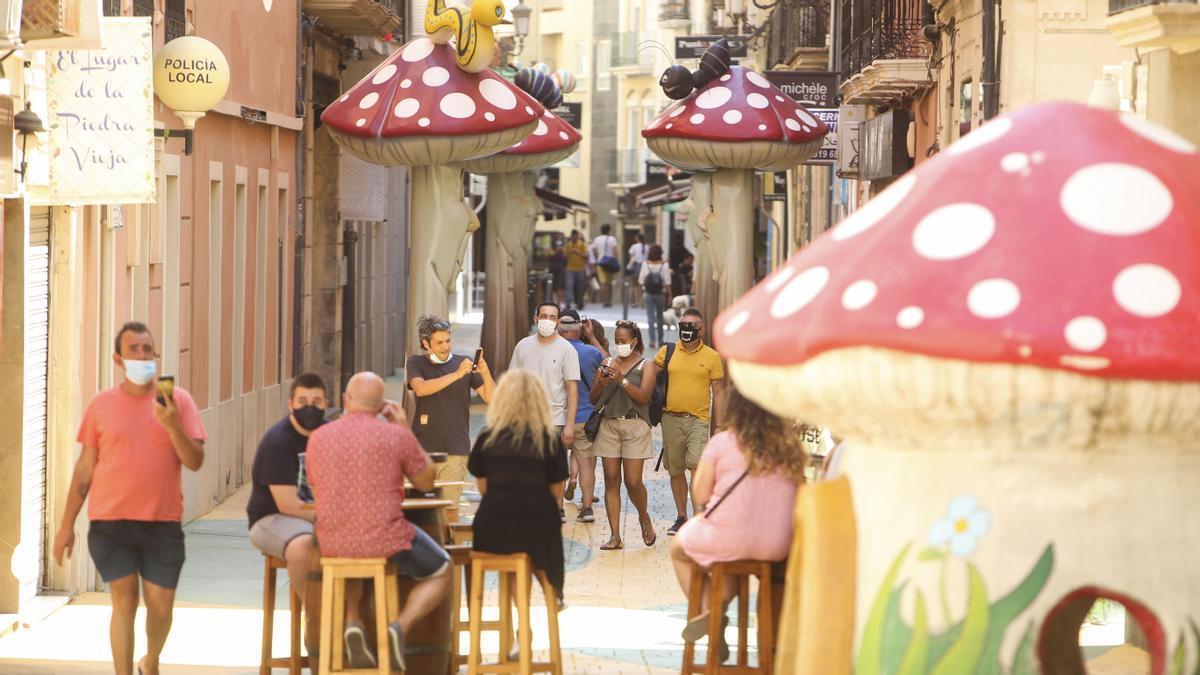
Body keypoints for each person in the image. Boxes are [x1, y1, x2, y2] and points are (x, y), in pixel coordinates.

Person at [53, 322, 206, 675]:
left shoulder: (178, 402)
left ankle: (150, 660)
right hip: (111, 523)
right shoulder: (101, 405)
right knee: (124, 601)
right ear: (118, 360)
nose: (141, 355)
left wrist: (172, 425)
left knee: (161, 606)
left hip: (162, 523)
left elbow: (195, 461)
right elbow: (84, 470)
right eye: (133, 349)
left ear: (155, 355)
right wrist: (66, 526)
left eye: (147, 349)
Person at [306, 372, 451, 670]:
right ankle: (400, 626)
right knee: (443, 570)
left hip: (331, 540)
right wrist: (402, 427)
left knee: (353, 549)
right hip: (385, 538)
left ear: (346, 400)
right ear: (382, 405)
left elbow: (316, 488)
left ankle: (353, 621)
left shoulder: (318, 438)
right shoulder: (395, 435)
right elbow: (425, 481)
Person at [671, 385, 804, 655]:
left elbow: (700, 493)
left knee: (680, 550)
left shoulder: (722, 442)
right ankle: (715, 617)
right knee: (730, 561)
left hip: (728, 538)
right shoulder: (788, 446)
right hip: (776, 544)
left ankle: (711, 614)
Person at [468, 370, 570, 601]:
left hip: (494, 526)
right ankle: (552, 593)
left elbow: (484, 489)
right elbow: (556, 492)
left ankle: (520, 616)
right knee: (538, 546)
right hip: (538, 522)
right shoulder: (549, 439)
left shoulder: (488, 438)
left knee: (514, 552)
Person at [245, 372, 329, 607]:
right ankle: (316, 619)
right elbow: (288, 505)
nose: (309, 408)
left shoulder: (331, 434)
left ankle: (352, 616)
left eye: (316, 402)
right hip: (272, 517)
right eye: (302, 402)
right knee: (303, 546)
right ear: (291, 405)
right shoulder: (278, 443)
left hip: (316, 514)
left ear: (326, 405)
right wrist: (332, 517)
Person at [407, 315, 496, 507]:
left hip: (456, 450)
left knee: (448, 511)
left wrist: (485, 372)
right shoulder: (416, 363)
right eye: (439, 342)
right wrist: (456, 375)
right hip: (422, 450)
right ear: (426, 343)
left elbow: (492, 399)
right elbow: (421, 388)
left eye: (448, 340)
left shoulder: (463, 362)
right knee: (420, 511)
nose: (446, 347)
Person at [656, 308, 725, 536]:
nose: (686, 329)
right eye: (683, 325)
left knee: (696, 465)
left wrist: (719, 426)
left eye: (691, 325)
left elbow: (720, 392)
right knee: (675, 469)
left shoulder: (712, 357)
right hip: (670, 418)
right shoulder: (668, 351)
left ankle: (698, 517)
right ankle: (681, 517)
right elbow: (649, 375)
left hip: (698, 419)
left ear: (701, 329)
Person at [510, 302, 581, 521]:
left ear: (558, 322)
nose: (547, 321)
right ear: (535, 319)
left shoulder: (566, 349)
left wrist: (569, 425)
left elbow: (572, 389)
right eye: (543, 316)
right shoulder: (523, 346)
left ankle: (557, 508)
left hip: (555, 418)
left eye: (552, 317)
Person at [589, 321, 657, 550]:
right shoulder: (607, 363)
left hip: (635, 426)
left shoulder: (646, 365)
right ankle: (615, 536)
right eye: (616, 341)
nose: (619, 345)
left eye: (623, 341)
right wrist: (602, 381)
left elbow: (644, 397)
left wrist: (622, 380)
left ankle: (644, 516)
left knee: (633, 481)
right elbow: (593, 398)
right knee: (610, 479)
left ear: (634, 341)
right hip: (609, 425)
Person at [557, 311, 604, 522]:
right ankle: (586, 508)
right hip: (585, 417)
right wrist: (592, 336)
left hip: (557, 418)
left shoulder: (552, 350)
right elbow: (610, 363)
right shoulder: (590, 352)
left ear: (558, 328)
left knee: (557, 464)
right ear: (579, 329)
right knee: (586, 464)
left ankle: (558, 510)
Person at [639, 245, 672, 349]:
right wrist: (670, 295)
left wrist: (644, 288)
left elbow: (640, 280)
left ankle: (652, 341)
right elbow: (667, 282)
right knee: (660, 317)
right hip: (660, 294)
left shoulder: (645, 264)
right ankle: (660, 340)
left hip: (648, 293)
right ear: (660, 253)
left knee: (650, 318)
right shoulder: (664, 265)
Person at [591, 224, 620, 307]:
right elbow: (615, 252)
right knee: (609, 282)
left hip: (601, 262)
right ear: (609, 230)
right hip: (610, 263)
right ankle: (609, 300)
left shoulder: (597, 239)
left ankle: (605, 301)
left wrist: (598, 257)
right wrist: (615, 259)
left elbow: (594, 250)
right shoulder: (612, 239)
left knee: (602, 283)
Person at [564, 230, 589, 309]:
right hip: (569, 269)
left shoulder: (582, 244)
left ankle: (580, 303)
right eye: (573, 237)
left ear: (578, 236)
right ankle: (568, 303)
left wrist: (577, 252)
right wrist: (570, 252)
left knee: (580, 287)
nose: (575, 238)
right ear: (571, 237)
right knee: (569, 286)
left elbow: (586, 255)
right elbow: (564, 256)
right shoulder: (568, 245)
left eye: (576, 236)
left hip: (580, 269)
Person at [626, 233, 649, 307]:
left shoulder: (634, 246)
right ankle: (642, 302)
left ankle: (636, 301)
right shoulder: (647, 246)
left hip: (636, 266)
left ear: (637, 239)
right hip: (645, 266)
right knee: (643, 285)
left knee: (635, 285)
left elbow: (631, 258)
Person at [548, 236, 567, 308]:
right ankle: (555, 301)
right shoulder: (551, 249)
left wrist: (562, 250)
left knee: (561, 286)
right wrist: (556, 251)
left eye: (560, 240)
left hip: (562, 269)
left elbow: (566, 256)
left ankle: (561, 301)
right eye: (557, 240)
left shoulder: (564, 248)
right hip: (553, 269)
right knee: (554, 286)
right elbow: (550, 255)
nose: (559, 242)